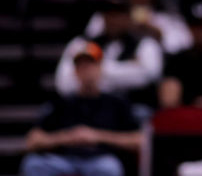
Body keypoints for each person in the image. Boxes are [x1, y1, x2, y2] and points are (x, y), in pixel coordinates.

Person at [20, 41, 142, 176]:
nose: (87, 70)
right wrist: (67, 137)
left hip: (100, 159)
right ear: (75, 71)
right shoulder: (61, 103)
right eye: (82, 66)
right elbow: (33, 140)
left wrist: (97, 136)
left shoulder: (116, 103)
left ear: (100, 68)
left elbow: (138, 140)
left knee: (109, 168)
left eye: (91, 64)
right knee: (34, 164)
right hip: (64, 160)